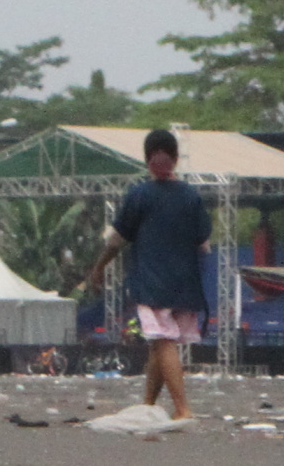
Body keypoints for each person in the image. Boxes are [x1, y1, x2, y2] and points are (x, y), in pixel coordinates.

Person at [76, 127, 214, 423]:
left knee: (163, 342)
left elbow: (116, 240)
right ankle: (149, 404)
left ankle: (182, 408)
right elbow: (204, 241)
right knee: (159, 344)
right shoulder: (191, 197)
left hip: (153, 282)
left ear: (146, 159)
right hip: (186, 283)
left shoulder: (140, 195)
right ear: (176, 159)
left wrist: (99, 267)